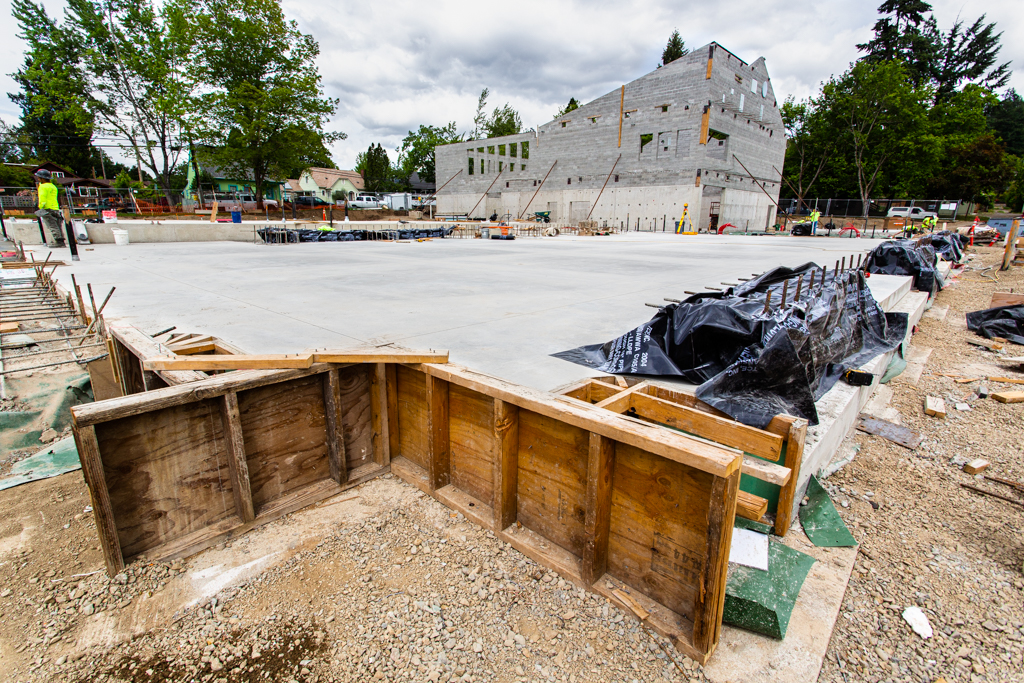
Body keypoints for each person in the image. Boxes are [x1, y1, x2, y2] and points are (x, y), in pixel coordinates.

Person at [34, 169, 65, 247]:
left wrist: (40, 207)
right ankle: (61, 241)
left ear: (42, 178)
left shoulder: (43, 186)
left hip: (47, 208)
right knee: (57, 225)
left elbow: (42, 197)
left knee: (52, 225)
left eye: (39, 177)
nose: (38, 179)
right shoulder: (53, 186)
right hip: (55, 208)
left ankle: (59, 242)